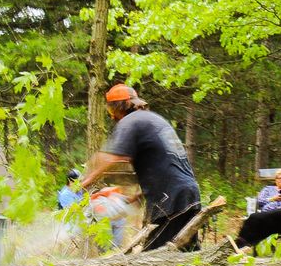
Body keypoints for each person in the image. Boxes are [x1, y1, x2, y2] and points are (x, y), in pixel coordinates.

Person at [79, 84, 202, 251]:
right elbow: (161, 165)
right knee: (186, 256)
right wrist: (135, 195)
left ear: (118, 107)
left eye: (110, 111)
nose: (112, 117)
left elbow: (111, 157)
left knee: (156, 258)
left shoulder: (131, 121)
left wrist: (86, 181)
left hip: (172, 200)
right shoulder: (152, 120)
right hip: (186, 194)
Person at [236, 169, 281, 248]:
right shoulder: (268, 189)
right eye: (280, 178)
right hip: (266, 216)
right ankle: (242, 244)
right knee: (252, 220)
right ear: (275, 180)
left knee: (254, 217)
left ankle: (242, 244)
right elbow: (260, 201)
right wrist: (273, 198)